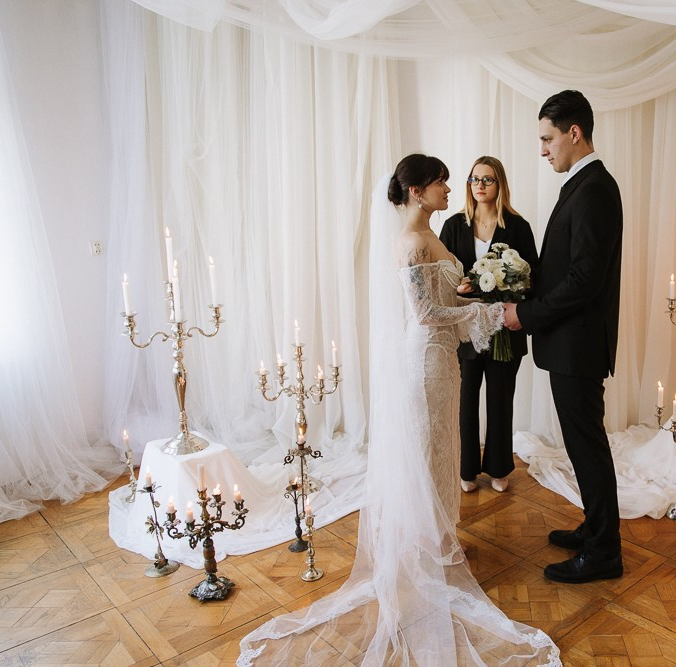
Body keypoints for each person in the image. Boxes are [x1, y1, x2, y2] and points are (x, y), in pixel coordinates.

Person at [238, 155, 559, 665]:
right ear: (416, 190)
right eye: (441, 182)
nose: (450, 189)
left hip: (443, 360)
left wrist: (471, 293)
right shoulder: (410, 243)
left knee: (443, 445)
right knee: (427, 445)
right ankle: (424, 544)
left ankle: (439, 535)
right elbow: (426, 313)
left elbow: (440, 296)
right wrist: (484, 311)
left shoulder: (430, 235)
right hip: (425, 361)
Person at [503, 90, 624, 585]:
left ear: (575, 133)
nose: (543, 149)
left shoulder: (595, 188)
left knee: (587, 447)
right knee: (582, 446)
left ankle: (604, 553)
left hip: (578, 345)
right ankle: (597, 529)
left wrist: (526, 315)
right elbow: (566, 269)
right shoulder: (583, 183)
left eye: (548, 138)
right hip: (571, 343)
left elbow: (584, 280)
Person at [439, 156, 538, 495]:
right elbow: (441, 277)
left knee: (500, 398)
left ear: (500, 185)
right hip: (465, 326)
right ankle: (466, 468)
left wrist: (510, 290)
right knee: (466, 400)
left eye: (488, 180)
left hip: (504, 329)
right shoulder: (453, 226)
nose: (479, 186)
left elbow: (533, 278)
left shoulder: (517, 226)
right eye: (474, 179)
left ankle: (498, 466)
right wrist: (461, 288)